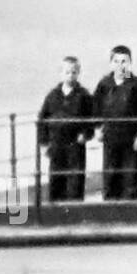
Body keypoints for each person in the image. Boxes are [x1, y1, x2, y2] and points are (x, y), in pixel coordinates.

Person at [92, 45, 137, 201]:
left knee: (130, 178)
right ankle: (110, 214)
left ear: (130, 63)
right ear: (111, 63)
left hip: (131, 140)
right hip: (110, 138)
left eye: (124, 61)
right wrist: (97, 128)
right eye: (116, 61)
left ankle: (129, 214)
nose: (120, 65)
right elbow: (95, 108)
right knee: (110, 177)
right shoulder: (104, 84)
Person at [36, 58, 93, 202]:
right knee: (56, 180)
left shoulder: (84, 95)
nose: (70, 75)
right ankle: (56, 216)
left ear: (78, 73)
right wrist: (43, 143)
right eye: (67, 72)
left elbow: (92, 119)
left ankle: (74, 214)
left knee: (75, 182)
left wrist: (86, 134)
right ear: (60, 73)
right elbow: (42, 120)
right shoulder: (52, 95)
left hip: (75, 145)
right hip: (56, 145)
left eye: (74, 72)